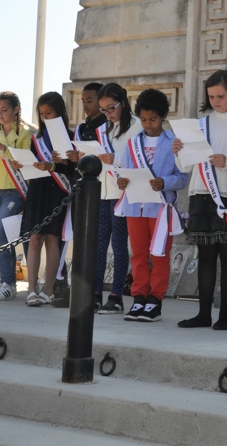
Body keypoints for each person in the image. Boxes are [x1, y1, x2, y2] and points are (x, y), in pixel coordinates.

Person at [173, 69, 227, 330]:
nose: (215, 101)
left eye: (220, 96)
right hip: (201, 194)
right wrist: (178, 152)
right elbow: (185, 167)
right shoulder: (199, 125)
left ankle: (226, 315)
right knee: (206, 255)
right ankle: (203, 314)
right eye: (211, 96)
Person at [117, 88, 189, 322]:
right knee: (137, 254)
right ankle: (138, 298)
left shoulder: (173, 143)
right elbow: (125, 173)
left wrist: (164, 182)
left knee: (159, 254)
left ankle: (155, 300)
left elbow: (182, 177)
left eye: (154, 119)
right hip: (134, 206)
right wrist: (121, 180)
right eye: (145, 119)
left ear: (163, 117)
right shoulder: (132, 143)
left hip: (160, 209)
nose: (149, 124)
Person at [13, 92, 73, 306]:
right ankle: (31, 289)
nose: (45, 117)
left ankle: (48, 290)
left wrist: (60, 164)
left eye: (49, 112)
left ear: (59, 112)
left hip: (57, 190)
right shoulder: (36, 139)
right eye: (41, 114)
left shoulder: (71, 136)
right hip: (37, 189)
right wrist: (21, 164)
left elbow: (75, 170)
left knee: (52, 238)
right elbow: (32, 162)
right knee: (34, 238)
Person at [53, 82, 107, 308]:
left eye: (90, 100)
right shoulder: (79, 128)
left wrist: (84, 156)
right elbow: (71, 167)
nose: (85, 105)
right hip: (79, 189)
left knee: (96, 244)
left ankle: (93, 293)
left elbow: (106, 157)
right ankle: (76, 290)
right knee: (79, 241)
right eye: (82, 101)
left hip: (102, 191)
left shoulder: (107, 127)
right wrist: (61, 162)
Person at [90, 83, 141, 313]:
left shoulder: (137, 127)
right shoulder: (103, 129)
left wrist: (116, 159)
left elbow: (139, 160)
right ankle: (96, 293)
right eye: (103, 110)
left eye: (111, 108)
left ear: (123, 102)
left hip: (123, 194)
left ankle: (117, 295)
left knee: (119, 245)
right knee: (99, 246)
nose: (108, 114)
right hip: (103, 191)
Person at [0, 91, 36, 301]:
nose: (0, 114)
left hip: (16, 190)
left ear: (16, 109)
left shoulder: (27, 133)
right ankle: (9, 283)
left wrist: (6, 150)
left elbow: (27, 161)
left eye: (4, 110)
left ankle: (8, 282)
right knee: (5, 236)